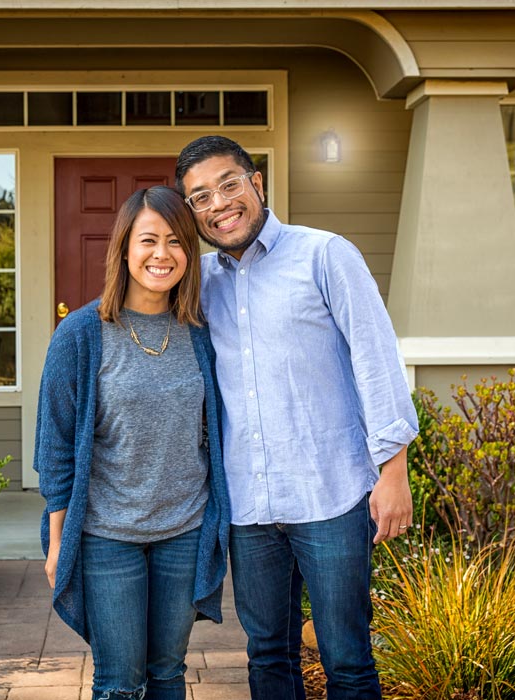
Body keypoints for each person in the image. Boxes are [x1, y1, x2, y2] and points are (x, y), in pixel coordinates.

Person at [175, 136, 419, 700]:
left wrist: (393, 470)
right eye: (201, 197)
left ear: (256, 183)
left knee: (348, 660)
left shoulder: (324, 254)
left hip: (329, 494)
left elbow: (376, 359)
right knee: (267, 657)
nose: (219, 204)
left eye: (229, 184)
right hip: (249, 507)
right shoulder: (199, 282)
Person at [33, 185, 229, 700]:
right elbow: (54, 447)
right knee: (120, 681)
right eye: (148, 240)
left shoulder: (202, 332)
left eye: (175, 242)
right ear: (124, 249)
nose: (161, 255)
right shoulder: (81, 333)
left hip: (184, 530)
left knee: (167, 672)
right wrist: (57, 544)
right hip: (105, 536)